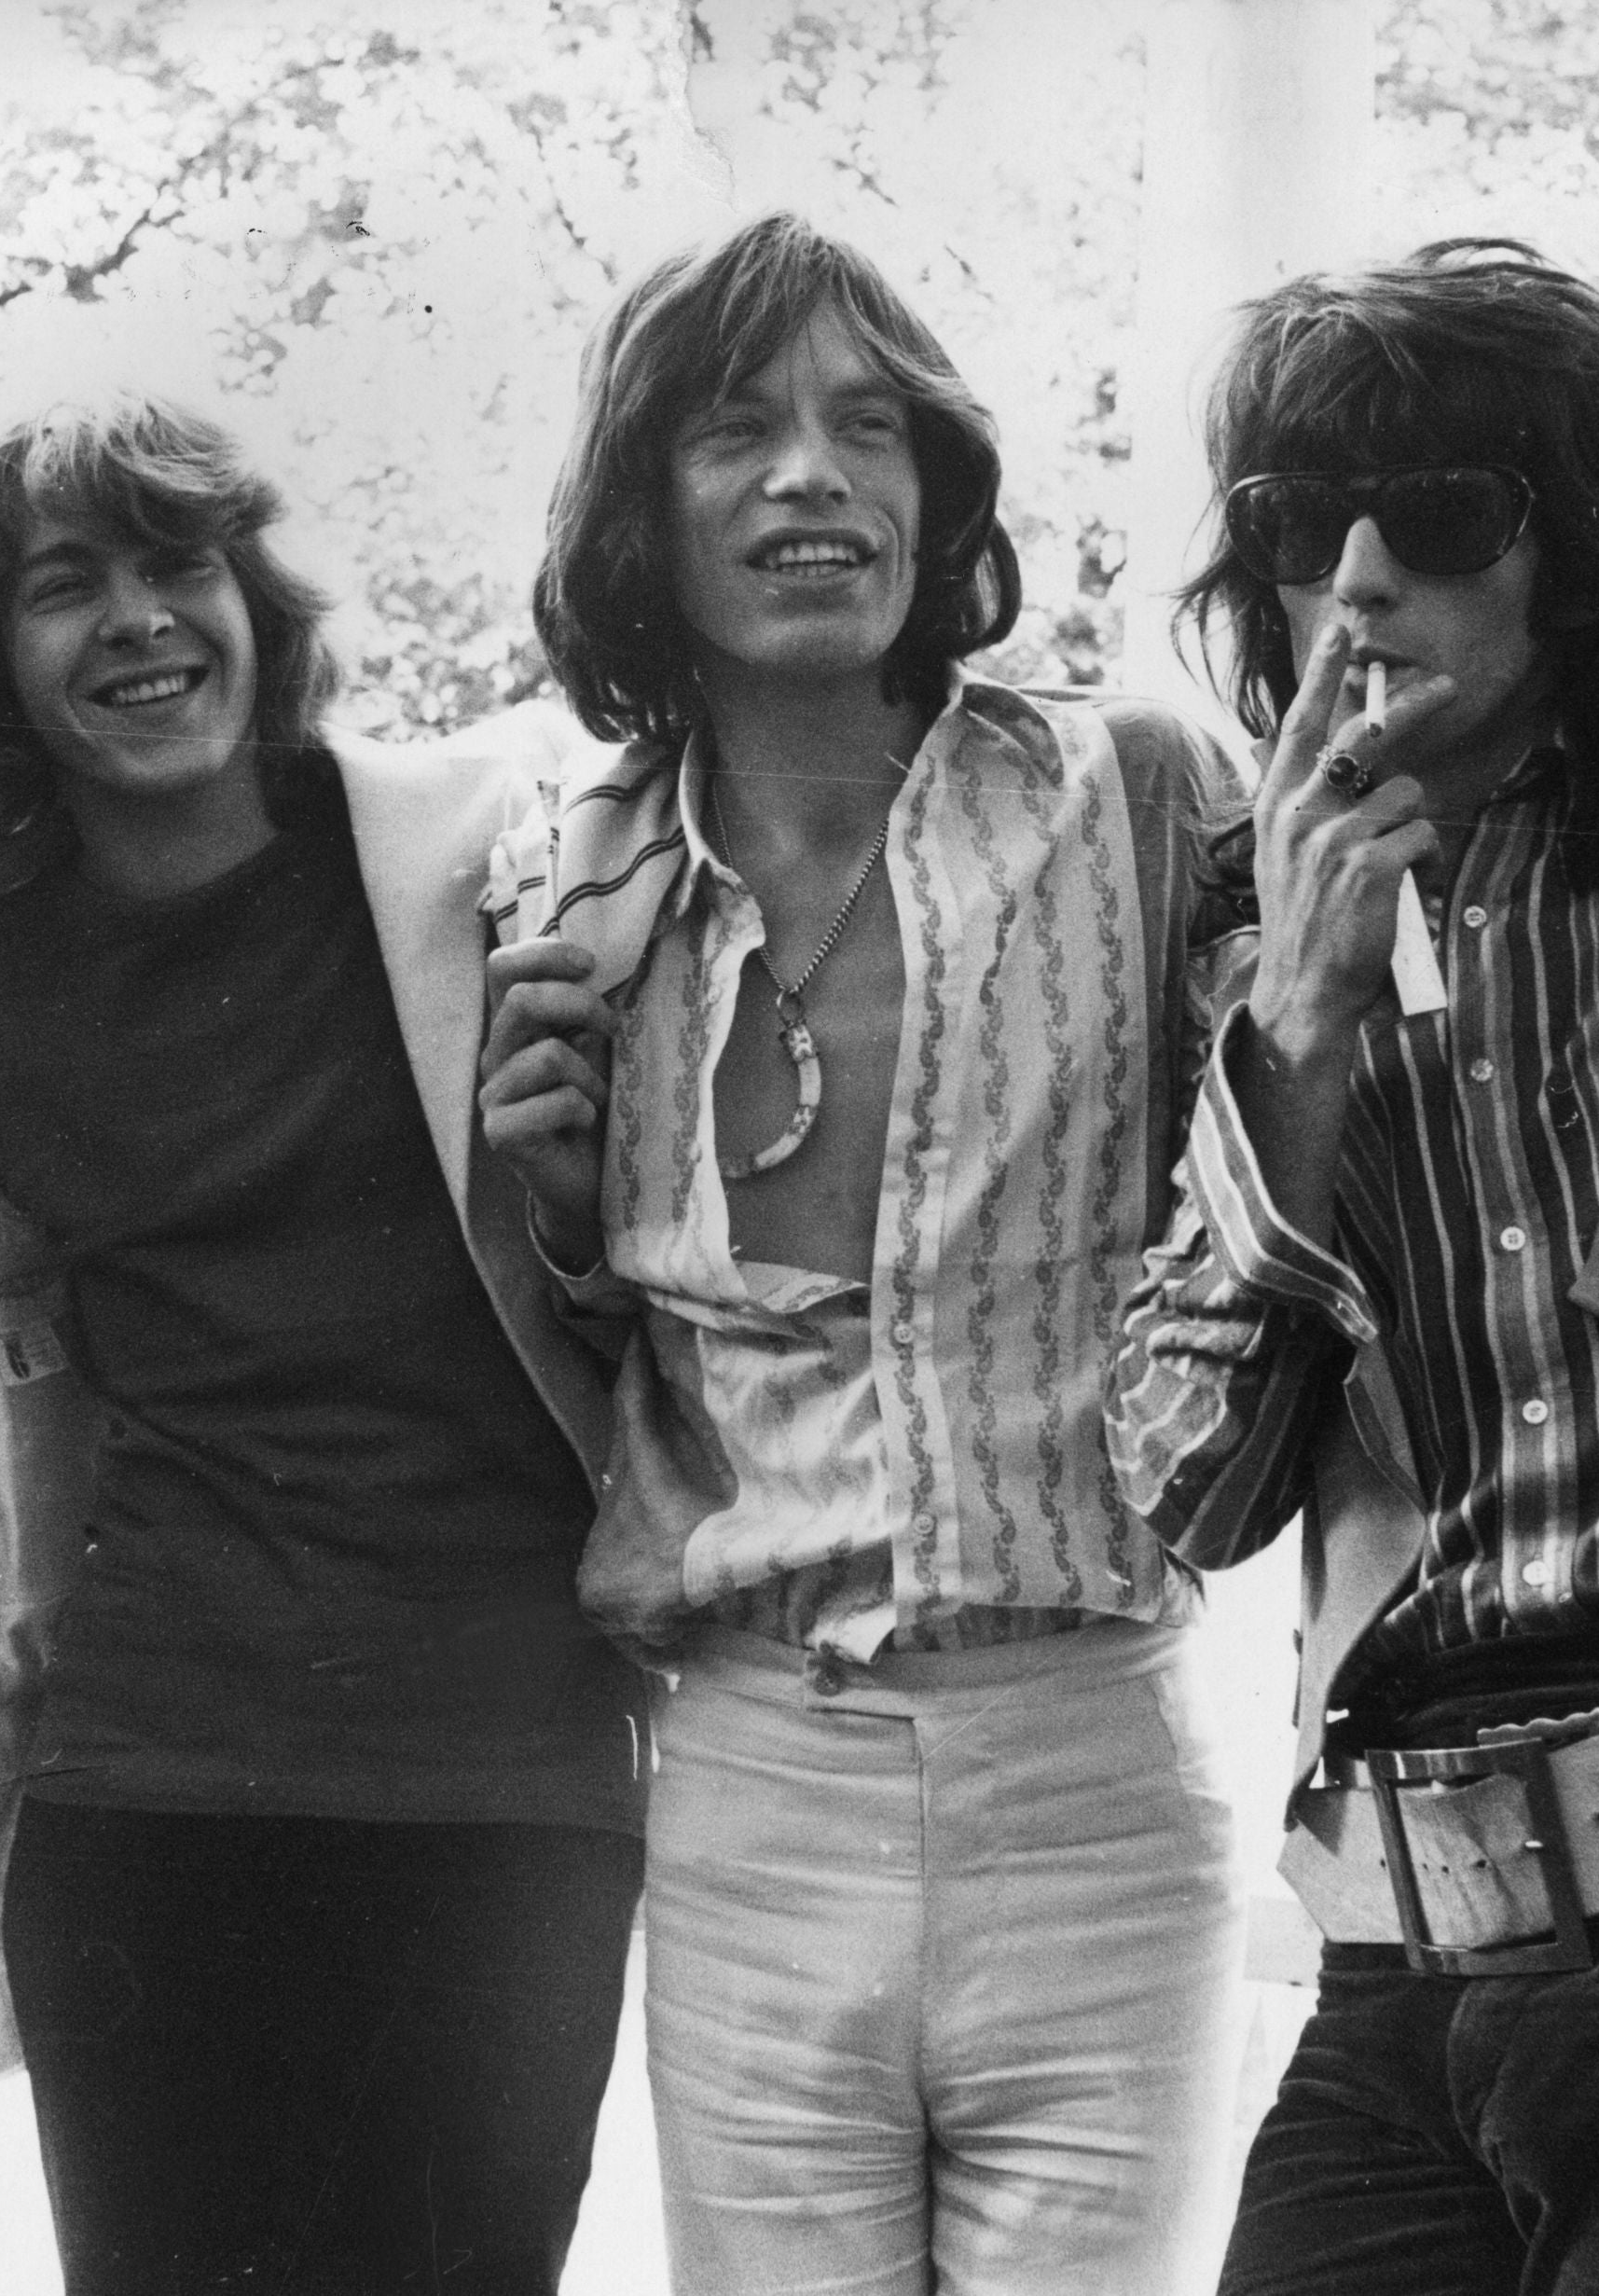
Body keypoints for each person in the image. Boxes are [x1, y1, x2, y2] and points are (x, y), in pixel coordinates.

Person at [1104, 242, 1599, 2295]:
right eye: (1306, 527)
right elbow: (1180, 1487)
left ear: (1574, 554)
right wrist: (1294, 1036)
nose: (1362, 582)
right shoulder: (1231, 948)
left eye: (1446, 514)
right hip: (1389, 1954)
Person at [476, 213, 1247, 2292]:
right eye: (737, 429)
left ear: (941, 490)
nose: (813, 474)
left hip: (1095, 1758)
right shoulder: (557, 875)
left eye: (868, 425)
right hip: (746, 1780)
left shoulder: (1144, 798)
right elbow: (578, 1343)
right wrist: (546, 1208)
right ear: (646, 509)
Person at [0, 386, 644, 2296]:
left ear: (254, 600)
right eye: (64, 585)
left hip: (503, 1783)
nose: (135, 620)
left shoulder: (474, 855)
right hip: (160, 1793)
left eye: (175, 562)